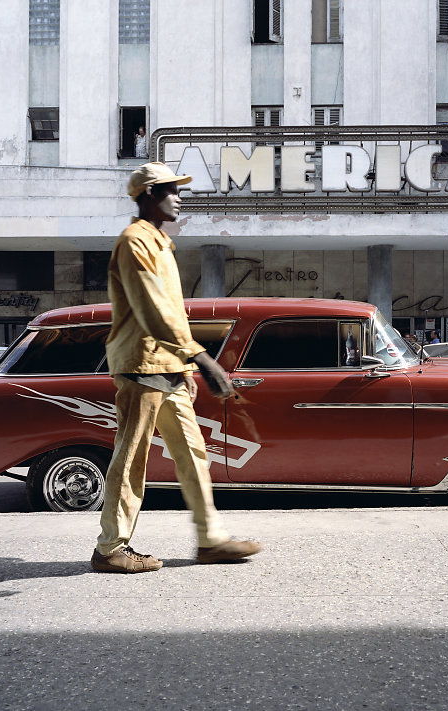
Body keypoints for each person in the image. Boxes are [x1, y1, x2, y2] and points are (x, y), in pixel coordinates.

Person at [92, 161, 261, 574]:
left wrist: (184, 368)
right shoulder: (135, 241)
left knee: (193, 455)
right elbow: (151, 309)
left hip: (168, 365)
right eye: (171, 190)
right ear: (148, 195)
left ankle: (211, 540)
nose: (179, 197)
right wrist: (201, 358)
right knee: (131, 457)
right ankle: (110, 546)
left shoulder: (160, 242)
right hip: (140, 364)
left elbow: (172, 312)